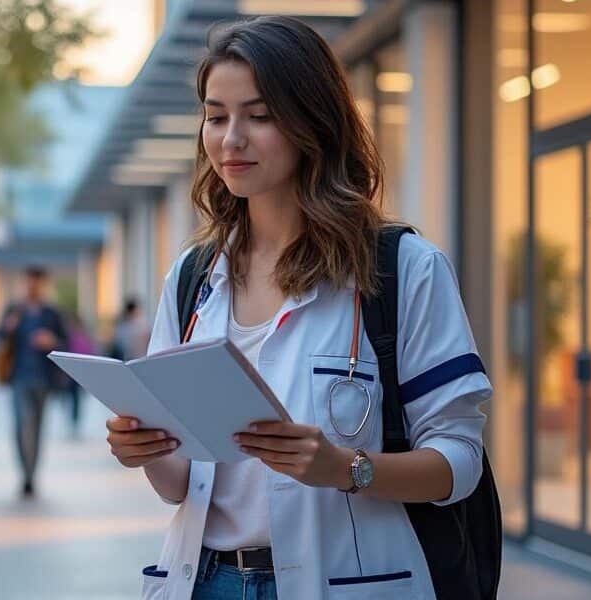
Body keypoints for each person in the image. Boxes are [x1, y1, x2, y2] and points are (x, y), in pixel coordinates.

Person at [105, 17, 492, 599]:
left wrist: (346, 470)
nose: (231, 139)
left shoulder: (401, 268)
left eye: (259, 116)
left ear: (313, 122)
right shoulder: (192, 279)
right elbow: (181, 484)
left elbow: (459, 461)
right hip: (206, 582)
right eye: (216, 116)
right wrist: (146, 452)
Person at [0, 265, 67, 498]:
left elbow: (66, 343)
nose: (32, 285)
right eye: (29, 281)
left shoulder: (52, 313)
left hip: (44, 380)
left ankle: (31, 475)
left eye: (37, 281)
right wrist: (9, 328)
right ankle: (25, 474)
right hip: (19, 378)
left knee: (37, 429)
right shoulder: (14, 310)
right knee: (22, 426)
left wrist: (51, 340)